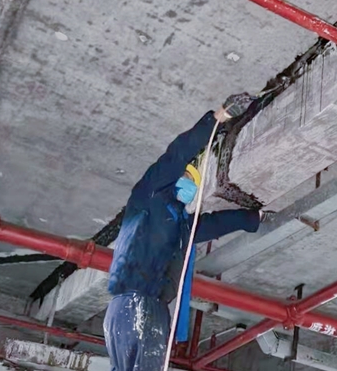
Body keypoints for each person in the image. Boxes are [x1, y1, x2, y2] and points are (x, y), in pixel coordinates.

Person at [103, 93, 270, 371]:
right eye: (186, 176)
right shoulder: (149, 196)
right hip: (136, 304)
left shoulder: (180, 224)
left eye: (193, 181)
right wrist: (217, 119)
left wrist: (252, 218)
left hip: (140, 307)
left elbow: (213, 225)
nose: (188, 185)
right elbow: (176, 155)